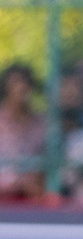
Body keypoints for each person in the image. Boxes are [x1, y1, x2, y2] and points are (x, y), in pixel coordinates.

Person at [0, 63, 46, 201]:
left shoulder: (41, 124)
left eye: (25, 83)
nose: (22, 88)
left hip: (33, 201)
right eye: (16, 83)